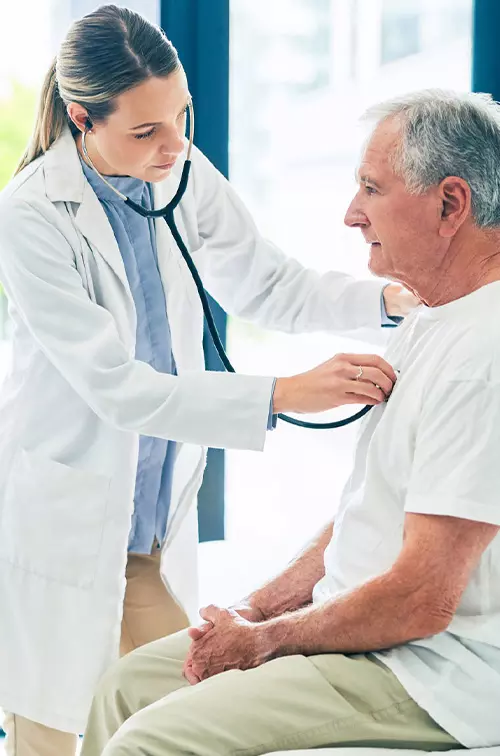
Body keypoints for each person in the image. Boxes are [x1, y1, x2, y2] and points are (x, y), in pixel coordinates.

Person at [0, 5, 415, 754]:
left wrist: (383, 301)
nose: (174, 145)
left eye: (180, 117)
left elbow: (268, 283)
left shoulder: (181, 174)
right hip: (68, 528)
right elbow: (117, 388)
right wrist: (283, 394)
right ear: (81, 118)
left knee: (172, 718)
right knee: (53, 739)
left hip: (149, 533)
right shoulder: (32, 216)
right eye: (146, 131)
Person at [80, 87, 500, 756]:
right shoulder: (430, 317)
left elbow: (423, 599)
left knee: (149, 740)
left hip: (429, 669)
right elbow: (381, 507)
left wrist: (266, 641)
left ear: (451, 204)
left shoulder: (483, 355)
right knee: (125, 687)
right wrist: (259, 606)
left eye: (371, 188)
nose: (350, 214)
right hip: (370, 635)